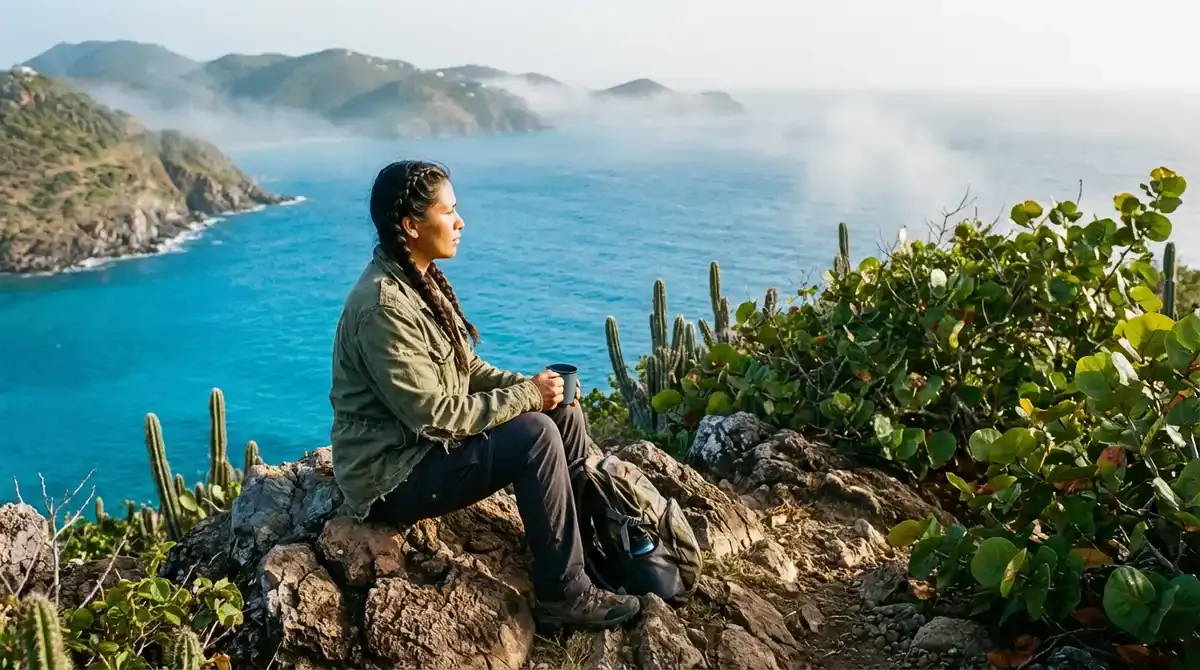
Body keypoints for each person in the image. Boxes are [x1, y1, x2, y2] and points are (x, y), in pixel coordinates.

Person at [327, 159, 641, 631]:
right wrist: (526, 400)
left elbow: (465, 369)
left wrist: (536, 389)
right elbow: (434, 416)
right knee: (533, 434)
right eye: (448, 212)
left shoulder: (419, 279)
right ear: (411, 225)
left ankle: (588, 555)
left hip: (425, 448)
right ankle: (564, 595)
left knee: (564, 413)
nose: (460, 222)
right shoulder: (383, 307)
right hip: (391, 476)